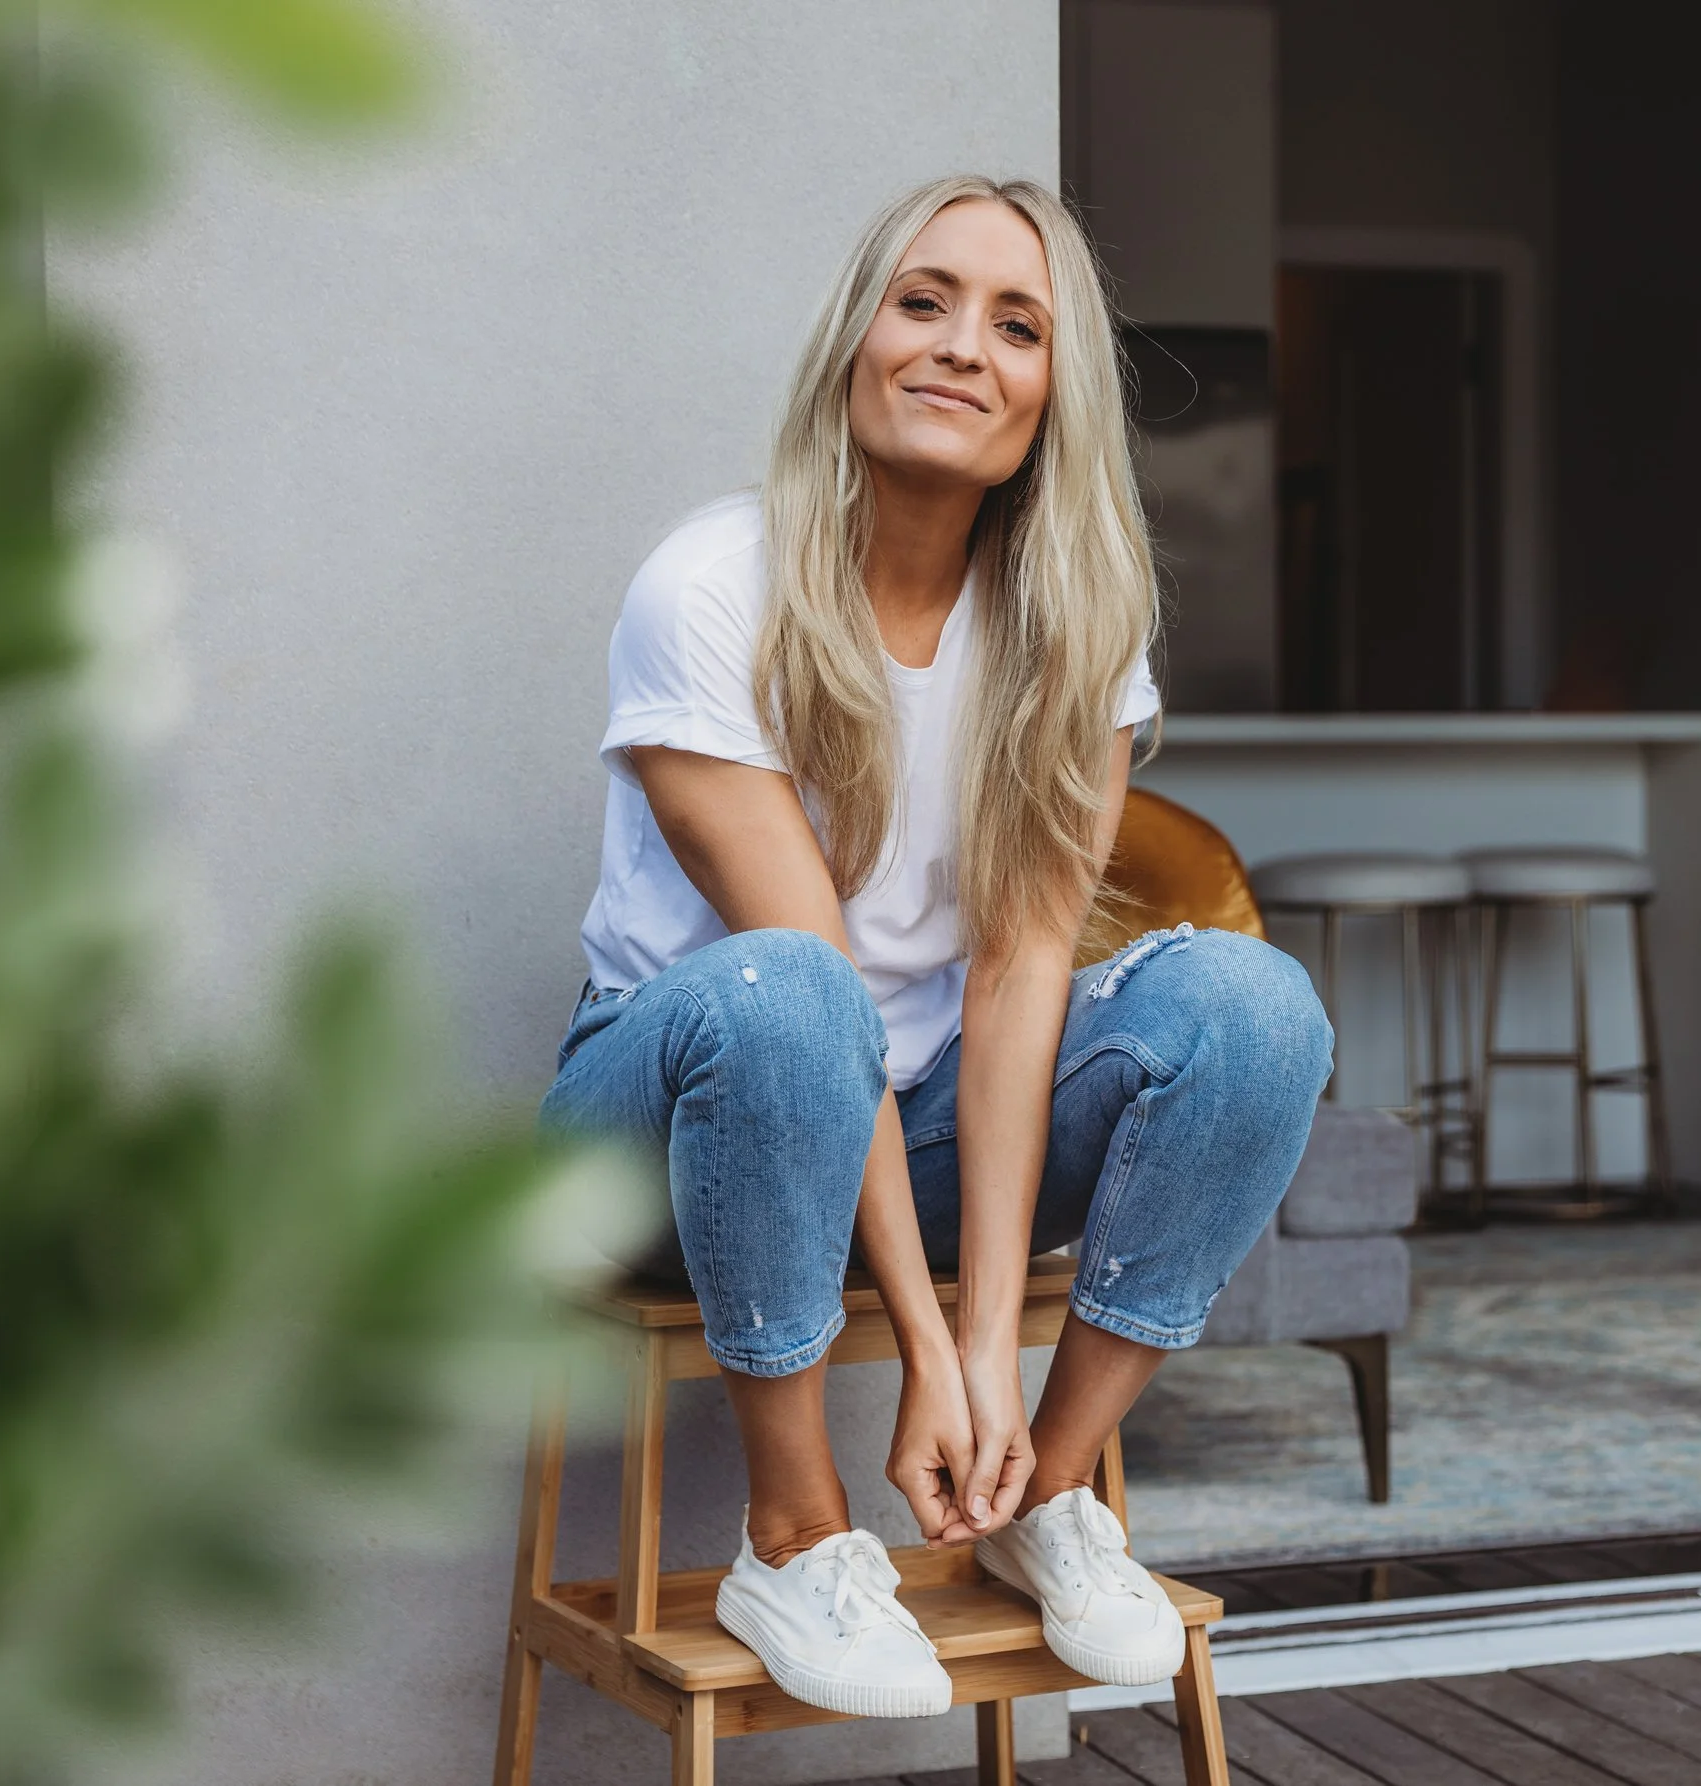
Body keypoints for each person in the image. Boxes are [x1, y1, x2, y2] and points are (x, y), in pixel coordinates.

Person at [542, 174, 1332, 1719]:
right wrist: (925, 1340)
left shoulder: (1075, 626)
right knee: (792, 992)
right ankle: (794, 1530)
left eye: (1017, 325)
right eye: (924, 302)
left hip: (922, 1124)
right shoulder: (711, 585)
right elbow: (813, 978)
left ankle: (1049, 1491)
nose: (964, 345)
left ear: (1053, 393)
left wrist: (990, 1356)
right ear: (857, 341)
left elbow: (1020, 972)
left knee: (1256, 1008)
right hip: (672, 1127)